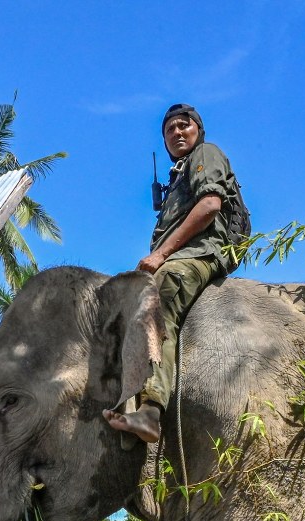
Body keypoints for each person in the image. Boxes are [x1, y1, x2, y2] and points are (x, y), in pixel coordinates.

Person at [103, 103, 247, 443]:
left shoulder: (206, 154)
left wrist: (162, 253)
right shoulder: (178, 174)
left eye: (184, 125)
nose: (177, 132)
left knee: (161, 291)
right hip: (183, 252)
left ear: (198, 130)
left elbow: (211, 205)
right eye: (170, 129)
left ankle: (151, 409)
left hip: (205, 250)